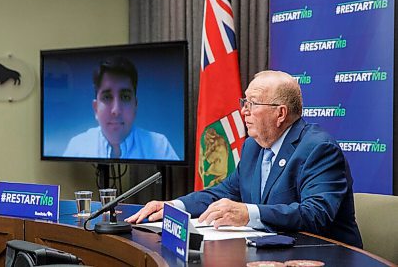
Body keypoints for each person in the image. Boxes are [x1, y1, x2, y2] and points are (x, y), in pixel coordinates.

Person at [126, 70, 363, 248]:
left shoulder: (319, 148)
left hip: (323, 256)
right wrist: (174, 206)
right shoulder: (253, 147)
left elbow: (316, 215)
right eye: (244, 102)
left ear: (280, 113)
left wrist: (248, 214)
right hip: (272, 254)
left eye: (252, 104)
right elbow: (222, 192)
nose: (243, 111)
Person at [64, 56, 179, 160]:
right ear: (95, 108)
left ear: (135, 105)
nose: (116, 110)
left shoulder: (160, 147)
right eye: (107, 97)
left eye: (125, 97)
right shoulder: (77, 148)